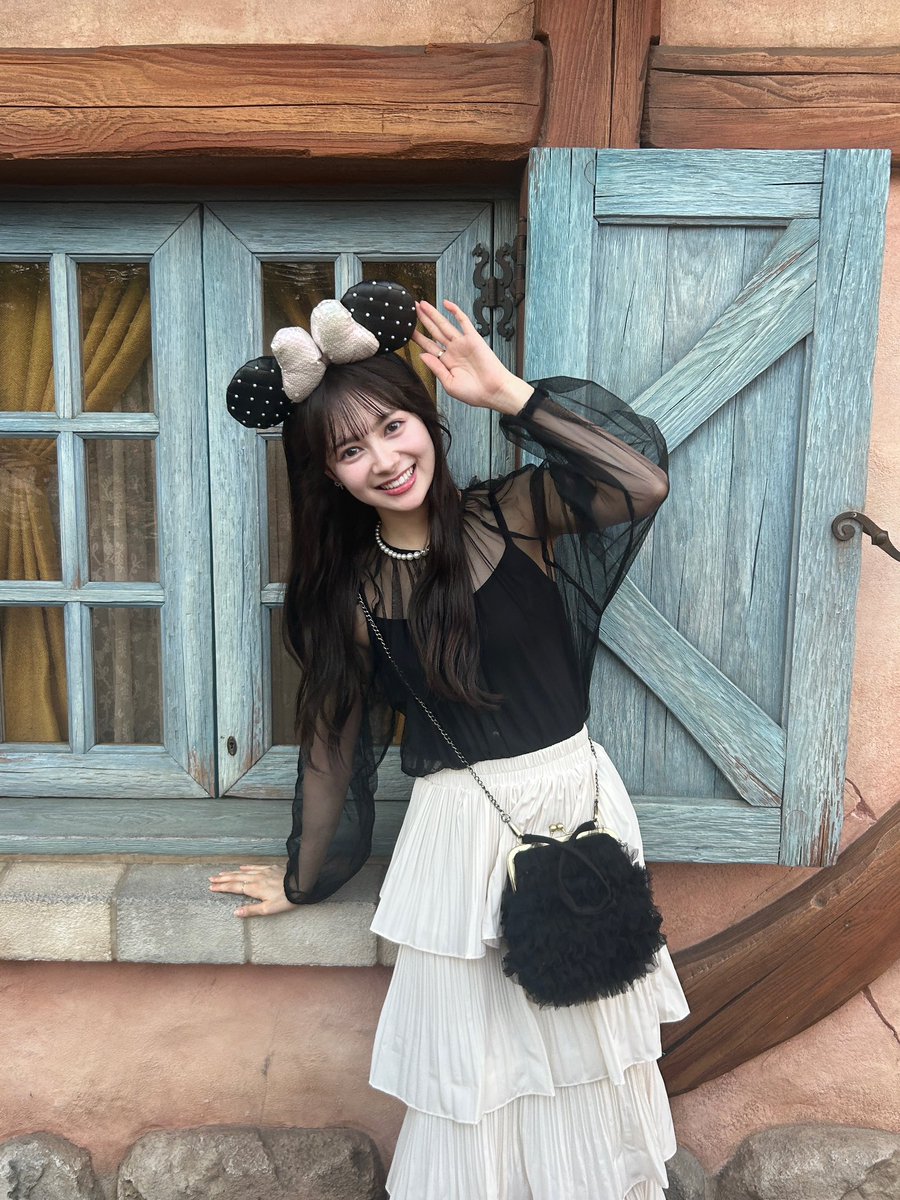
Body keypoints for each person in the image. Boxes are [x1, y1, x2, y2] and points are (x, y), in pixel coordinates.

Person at [211, 285, 690, 1199]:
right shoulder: (350, 596)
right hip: (462, 841)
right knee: (481, 1075)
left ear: (426, 420)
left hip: (579, 802)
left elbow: (640, 484)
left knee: (586, 1057)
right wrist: (303, 877)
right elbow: (334, 746)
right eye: (350, 450)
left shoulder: (514, 512)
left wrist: (510, 396)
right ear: (329, 475)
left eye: (394, 427)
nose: (385, 460)